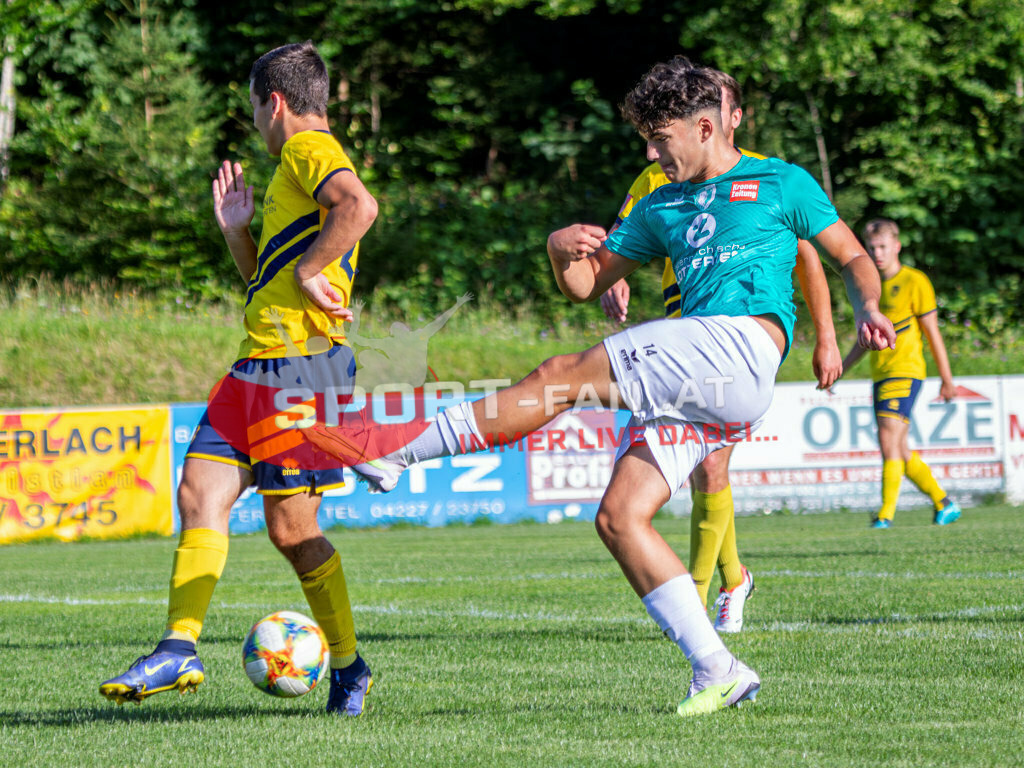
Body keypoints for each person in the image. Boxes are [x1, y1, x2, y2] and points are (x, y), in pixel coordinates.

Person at [305, 61, 895, 717]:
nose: (650, 151)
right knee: (619, 517)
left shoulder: (781, 181)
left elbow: (850, 256)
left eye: (659, 137)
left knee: (563, 376)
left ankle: (395, 452)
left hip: (740, 347)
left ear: (706, 126)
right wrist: (560, 249)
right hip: (704, 381)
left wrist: (866, 310)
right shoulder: (659, 204)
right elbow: (587, 284)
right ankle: (718, 667)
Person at [99, 41, 378, 716]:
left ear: (273, 102)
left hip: (300, 369)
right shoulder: (293, 169)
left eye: (254, 107)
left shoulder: (308, 151)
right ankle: (178, 647)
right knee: (200, 492)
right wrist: (239, 236)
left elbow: (358, 207)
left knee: (291, 531)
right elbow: (273, 281)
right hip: (259, 362)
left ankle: (348, 665)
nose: (254, 120)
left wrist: (313, 272)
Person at [547, 60, 843, 634]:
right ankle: (732, 578)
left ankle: (705, 594)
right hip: (680, 327)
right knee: (698, 470)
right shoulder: (654, 177)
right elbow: (621, 242)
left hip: (738, 338)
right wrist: (611, 272)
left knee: (709, 465)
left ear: (725, 121)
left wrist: (826, 337)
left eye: (733, 108)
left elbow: (811, 253)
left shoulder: (764, 183)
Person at [840, 218, 961, 529]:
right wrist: (840, 368)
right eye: (871, 248)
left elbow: (932, 333)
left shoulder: (915, 281)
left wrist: (947, 379)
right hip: (881, 373)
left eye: (882, 247)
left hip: (905, 371)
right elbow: (865, 341)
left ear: (897, 246)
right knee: (899, 448)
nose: (877, 253)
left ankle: (886, 514)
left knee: (887, 439)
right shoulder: (871, 288)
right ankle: (944, 502)